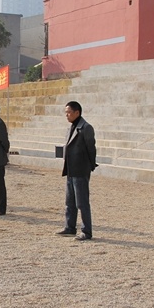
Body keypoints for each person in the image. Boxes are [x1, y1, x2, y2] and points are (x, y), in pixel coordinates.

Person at [56, 101, 98, 240]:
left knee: (82, 202)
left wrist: (90, 166)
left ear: (77, 113)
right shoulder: (71, 128)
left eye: (69, 112)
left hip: (81, 170)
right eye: (66, 112)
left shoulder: (86, 128)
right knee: (70, 202)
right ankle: (70, 227)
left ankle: (86, 231)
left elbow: (91, 149)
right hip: (71, 169)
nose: (66, 115)